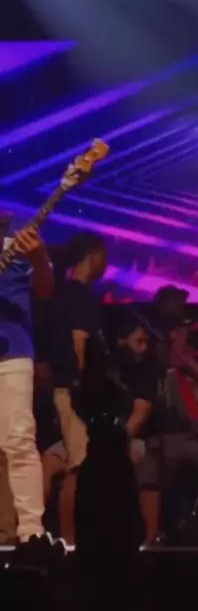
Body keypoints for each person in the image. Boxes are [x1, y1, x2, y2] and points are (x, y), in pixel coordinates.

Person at [48, 232, 108, 543]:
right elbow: (78, 340)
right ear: (91, 255)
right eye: (104, 256)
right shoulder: (78, 295)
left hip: (67, 388)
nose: (106, 264)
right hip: (75, 389)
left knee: (74, 462)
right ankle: (71, 542)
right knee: (78, 466)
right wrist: (83, 382)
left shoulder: (64, 293)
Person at [0, 215, 54, 542]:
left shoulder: (17, 233)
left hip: (12, 350)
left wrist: (38, 257)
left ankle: (32, 533)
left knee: (19, 441)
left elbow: (45, 290)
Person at [115, 320, 160, 545]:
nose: (144, 348)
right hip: (96, 438)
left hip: (133, 439)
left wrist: (116, 441)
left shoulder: (144, 370)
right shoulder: (108, 369)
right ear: (122, 341)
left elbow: (141, 412)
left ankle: (146, 544)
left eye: (146, 342)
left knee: (142, 467)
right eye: (139, 341)